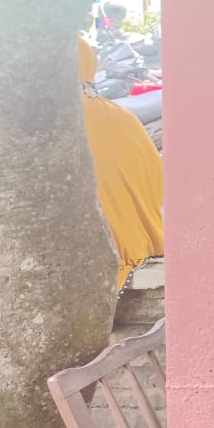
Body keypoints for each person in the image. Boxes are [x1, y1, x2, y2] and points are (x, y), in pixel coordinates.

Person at [77, 37, 164, 288]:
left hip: (90, 267)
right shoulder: (123, 118)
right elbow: (157, 189)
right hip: (144, 250)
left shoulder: (41, 131)